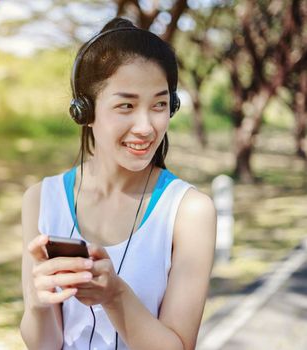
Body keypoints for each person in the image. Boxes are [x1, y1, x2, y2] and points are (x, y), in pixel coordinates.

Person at [20, 17, 216, 350]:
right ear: (84, 111)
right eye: (126, 105)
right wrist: (40, 303)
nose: (145, 126)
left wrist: (115, 295)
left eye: (159, 105)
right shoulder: (41, 199)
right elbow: (45, 345)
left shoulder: (190, 211)